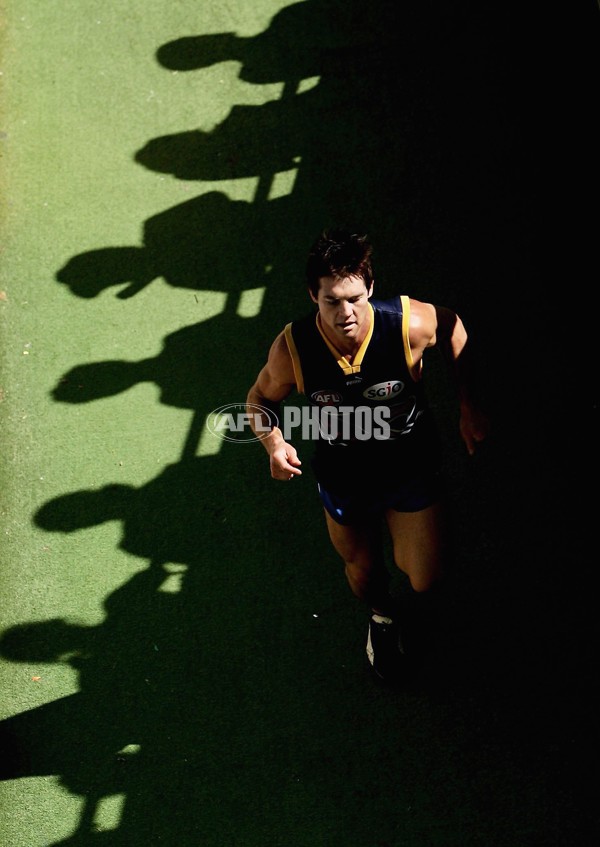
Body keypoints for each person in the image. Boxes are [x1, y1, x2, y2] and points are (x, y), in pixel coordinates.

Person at [246, 229, 488, 682]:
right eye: (332, 301)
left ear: (371, 288)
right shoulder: (292, 350)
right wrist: (274, 445)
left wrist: (469, 404)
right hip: (344, 475)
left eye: (355, 298)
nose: (346, 313)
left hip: (410, 465)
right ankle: (382, 617)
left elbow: (455, 328)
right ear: (312, 297)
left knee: (425, 577)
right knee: (363, 569)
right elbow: (259, 399)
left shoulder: (408, 325)